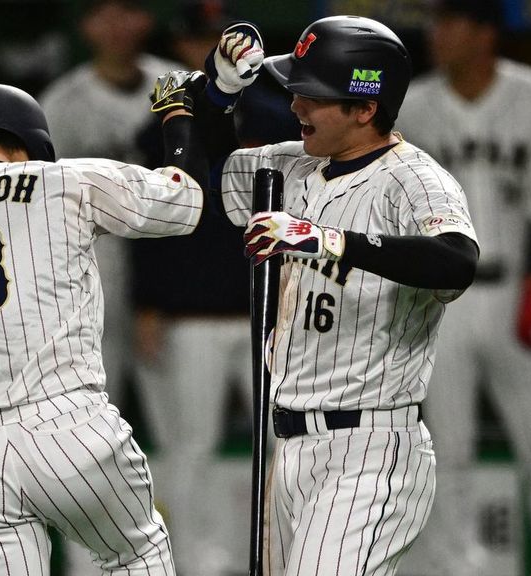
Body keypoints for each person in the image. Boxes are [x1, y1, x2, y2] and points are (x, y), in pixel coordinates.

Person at [163, 14, 480, 575]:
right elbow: (209, 174)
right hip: (289, 444)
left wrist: (331, 241)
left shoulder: (415, 180)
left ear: (364, 108)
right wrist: (220, 93)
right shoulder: (293, 163)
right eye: (296, 91)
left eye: (313, 95)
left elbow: (455, 262)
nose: (296, 106)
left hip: (370, 445)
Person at [0, 80, 210, 575]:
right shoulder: (62, 180)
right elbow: (183, 206)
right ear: (36, 146)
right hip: (66, 423)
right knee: (134, 553)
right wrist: (177, 116)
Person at [394, 2, 531, 575]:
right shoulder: (412, 107)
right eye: (435, 22)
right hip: (441, 299)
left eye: (450, 22)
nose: (436, 34)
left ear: (485, 32)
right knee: (448, 448)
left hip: (516, 286)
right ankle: (455, 567)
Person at [132, 4, 297, 574]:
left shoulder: (280, 113)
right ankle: (194, 563)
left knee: (286, 442)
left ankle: (286, 557)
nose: (205, 47)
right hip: (190, 311)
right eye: (196, 39)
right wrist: (147, 302)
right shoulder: (163, 122)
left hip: (264, 305)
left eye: (215, 37)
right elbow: (148, 218)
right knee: (191, 446)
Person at [38, 0, 181, 419]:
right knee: (96, 392)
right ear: (86, 26)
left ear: (147, 18)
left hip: (167, 251)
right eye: (104, 14)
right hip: (95, 256)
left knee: (174, 404)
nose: (117, 25)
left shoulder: (175, 84)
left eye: (128, 11)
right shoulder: (61, 103)